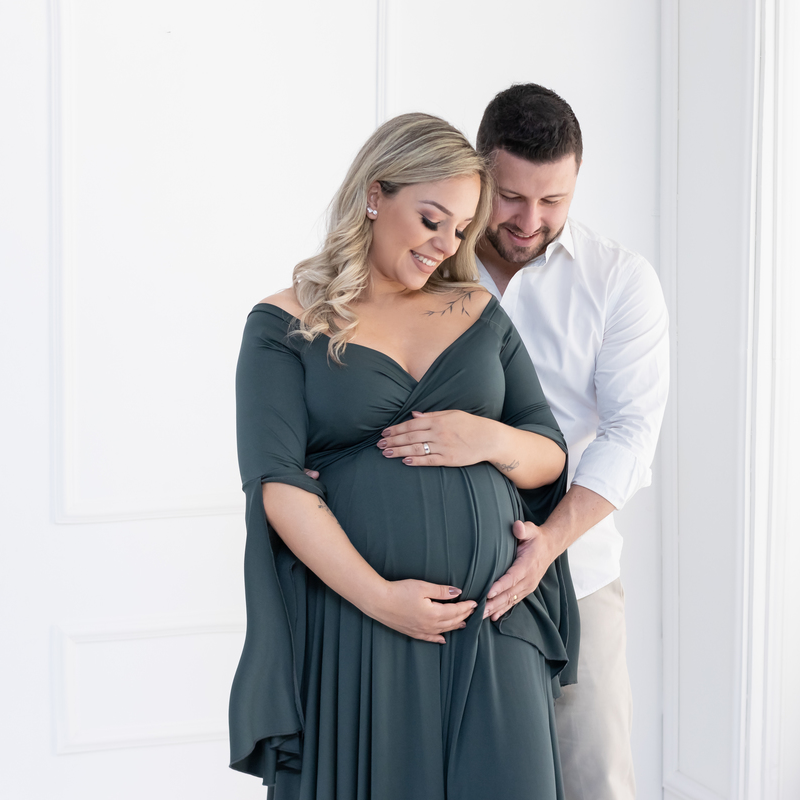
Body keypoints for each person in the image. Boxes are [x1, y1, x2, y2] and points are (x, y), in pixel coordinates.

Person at [228, 112, 580, 800]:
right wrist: (382, 600)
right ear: (374, 195)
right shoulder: (283, 324)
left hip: (493, 619)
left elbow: (548, 455)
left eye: (461, 229)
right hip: (359, 623)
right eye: (430, 220)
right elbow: (277, 484)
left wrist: (488, 438)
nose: (445, 245)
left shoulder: (476, 309)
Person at [381, 85, 669, 800]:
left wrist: (547, 544)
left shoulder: (619, 280)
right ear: (480, 172)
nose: (530, 220)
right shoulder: (421, 261)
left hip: (576, 572)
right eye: (510, 197)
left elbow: (631, 434)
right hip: (436, 580)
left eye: (554, 201)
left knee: (595, 777)